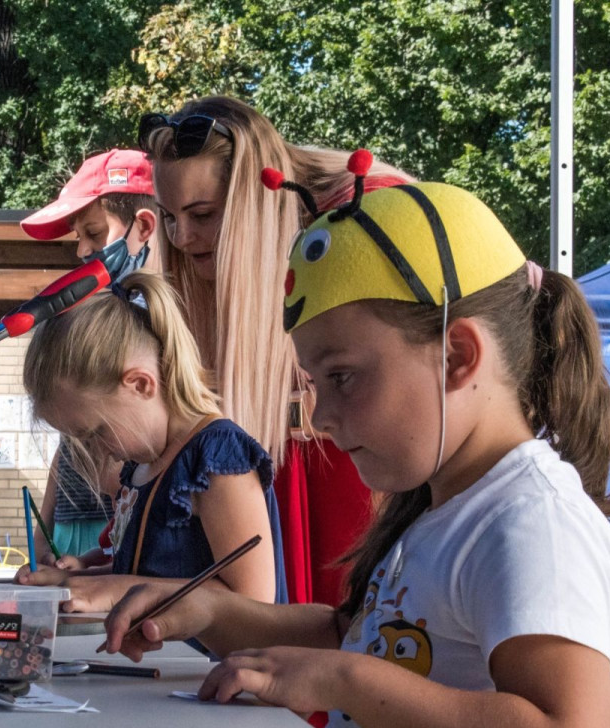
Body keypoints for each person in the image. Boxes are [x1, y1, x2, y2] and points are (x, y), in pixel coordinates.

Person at [104, 166, 610, 728]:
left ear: (457, 357)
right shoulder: (442, 505)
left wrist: (341, 679)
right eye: (315, 382)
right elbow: (357, 636)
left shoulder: (529, 520)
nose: (321, 415)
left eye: (343, 376)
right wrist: (207, 610)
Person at [139, 96, 410, 605]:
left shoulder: (359, 211)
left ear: (252, 201)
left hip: (350, 474)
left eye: (201, 214)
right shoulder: (198, 257)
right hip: (285, 471)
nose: (182, 235)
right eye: (169, 216)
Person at [17, 271, 286, 612]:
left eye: (95, 432)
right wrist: (79, 580)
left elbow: (253, 599)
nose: (96, 451)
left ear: (141, 385)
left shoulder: (216, 457)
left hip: (216, 663)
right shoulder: (141, 468)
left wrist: (115, 589)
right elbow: (147, 573)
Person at [20, 149, 158, 569]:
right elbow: (69, 443)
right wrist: (45, 530)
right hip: (81, 525)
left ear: (145, 227)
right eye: (78, 237)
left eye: (94, 234)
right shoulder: (95, 319)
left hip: (116, 517)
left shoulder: (153, 328)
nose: (82, 251)